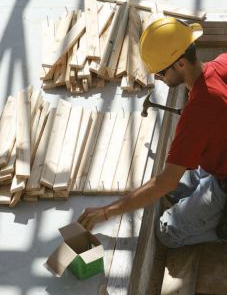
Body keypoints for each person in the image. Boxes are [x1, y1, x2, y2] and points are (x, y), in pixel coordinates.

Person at [78, 17, 227, 248]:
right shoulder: (222, 63)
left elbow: (165, 181)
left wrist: (106, 211)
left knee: (166, 231)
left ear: (180, 64)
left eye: (159, 73)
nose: (157, 78)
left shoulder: (198, 113)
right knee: (178, 192)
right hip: (218, 162)